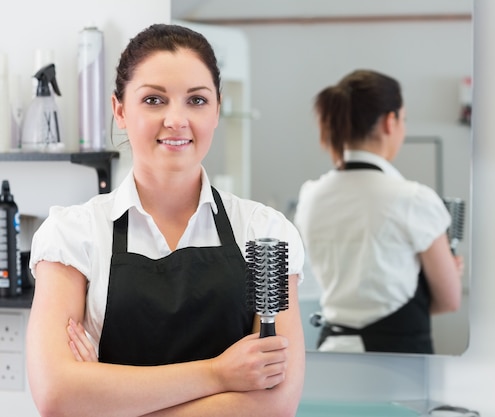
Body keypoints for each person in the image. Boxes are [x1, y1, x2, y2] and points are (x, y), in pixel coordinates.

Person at [26, 23, 305, 417]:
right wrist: (219, 374)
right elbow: (57, 395)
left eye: (196, 100)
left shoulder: (265, 232)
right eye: (155, 100)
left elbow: (276, 405)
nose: (176, 119)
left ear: (217, 110)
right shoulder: (73, 235)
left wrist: (106, 400)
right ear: (120, 110)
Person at [294, 69, 463, 354]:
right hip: (396, 361)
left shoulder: (311, 195)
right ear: (390, 121)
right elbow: (449, 299)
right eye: (404, 120)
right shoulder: (413, 199)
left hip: (330, 357)